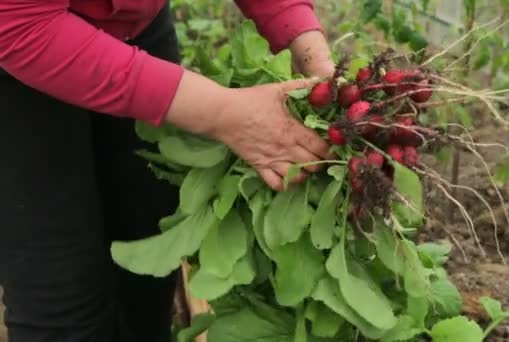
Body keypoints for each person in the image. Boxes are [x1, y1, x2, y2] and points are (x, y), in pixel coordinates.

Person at [0, 0, 335, 341]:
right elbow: (19, 23)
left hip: (135, 22)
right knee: (58, 291)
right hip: (18, 43)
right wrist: (223, 114)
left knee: (146, 248)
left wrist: (305, 42)